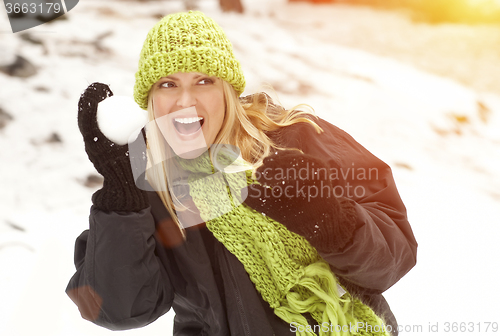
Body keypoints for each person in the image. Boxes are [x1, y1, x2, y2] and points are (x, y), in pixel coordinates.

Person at [66, 11, 417, 336]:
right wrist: (121, 198)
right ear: (150, 100)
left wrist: (331, 222)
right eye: (168, 84)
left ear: (227, 91)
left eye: (204, 80)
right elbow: (116, 308)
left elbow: (392, 260)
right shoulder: (147, 187)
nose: (185, 100)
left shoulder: (296, 137)